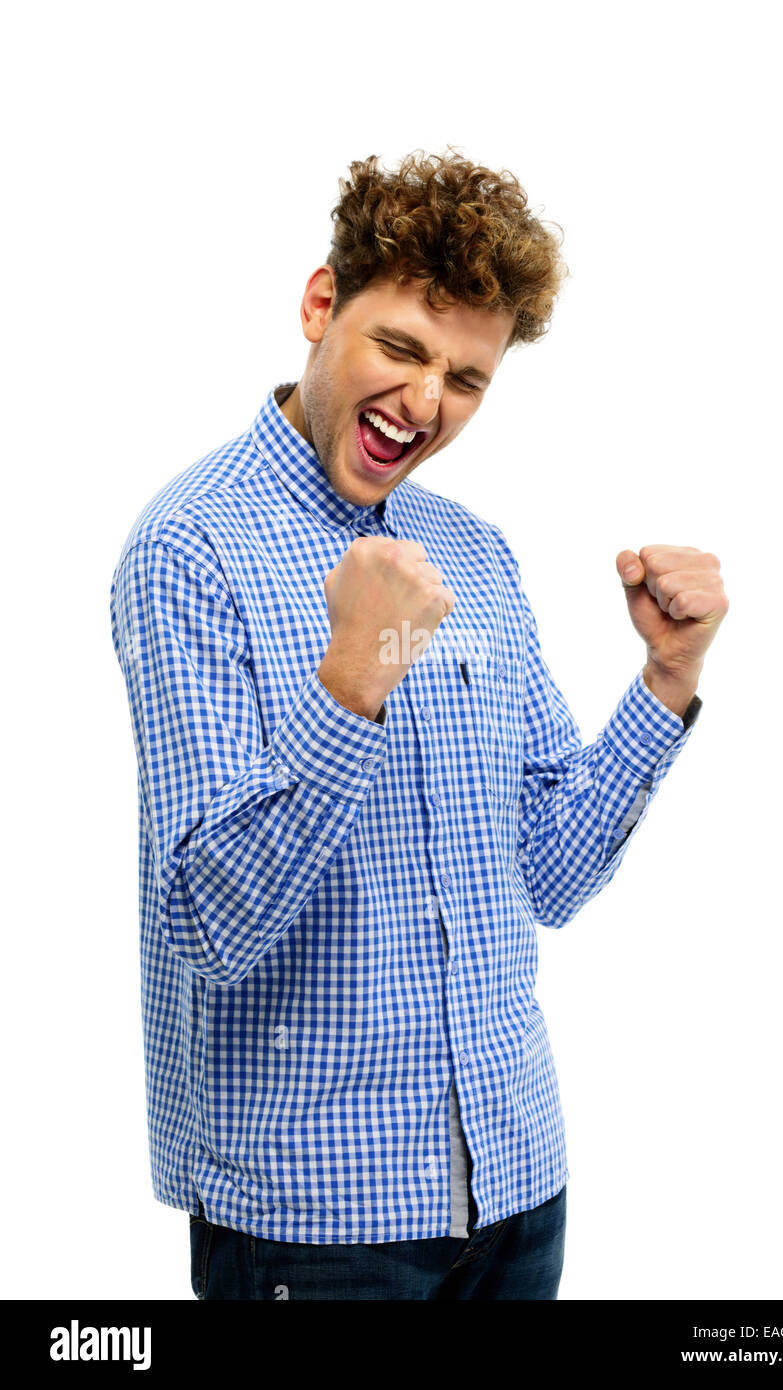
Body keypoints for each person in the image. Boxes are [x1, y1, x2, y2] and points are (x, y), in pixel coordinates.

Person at [109, 149, 727, 1300]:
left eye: (466, 378)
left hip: (516, 1187)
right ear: (318, 305)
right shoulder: (188, 550)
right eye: (399, 347)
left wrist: (665, 677)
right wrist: (351, 681)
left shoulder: (477, 555)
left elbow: (547, 870)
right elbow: (201, 921)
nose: (426, 401)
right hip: (316, 1220)